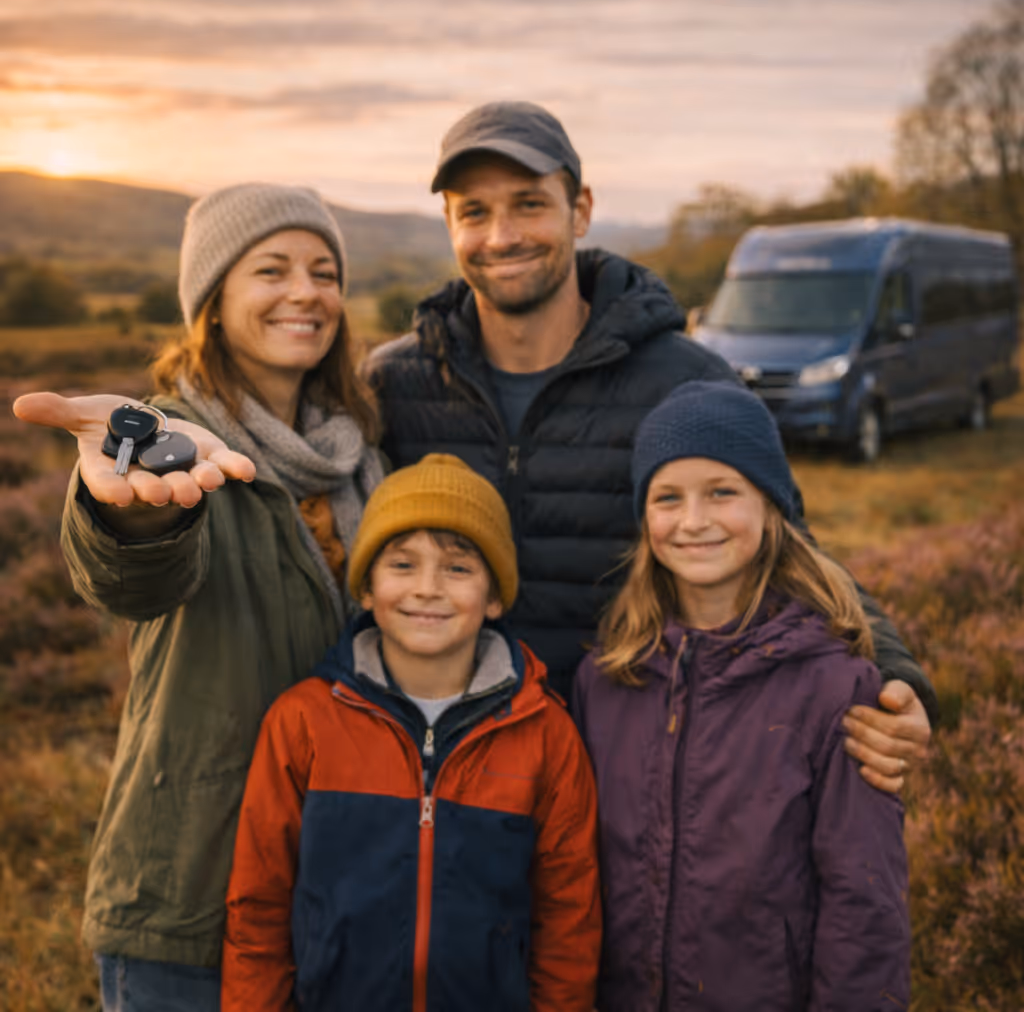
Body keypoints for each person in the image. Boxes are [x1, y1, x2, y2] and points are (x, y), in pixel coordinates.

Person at [364, 100, 937, 791]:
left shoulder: (685, 380)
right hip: (443, 774)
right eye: (474, 212)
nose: (502, 234)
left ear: (580, 211)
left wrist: (898, 676)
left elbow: (790, 549)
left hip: (628, 771)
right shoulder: (393, 383)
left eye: (528, 204)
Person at [13, 183, 384, 1011]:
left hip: (335, 886)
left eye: (325, 272)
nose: (306, 292)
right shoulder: (172, 443)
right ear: (212, 301)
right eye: (272, 269)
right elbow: (135, 579)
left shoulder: (363, 457)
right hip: (189, 893)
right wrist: (128, 515)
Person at [572, 380, 911, 1011]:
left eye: (722, 492)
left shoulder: (835, 687)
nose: (694, 521)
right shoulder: (608, 680)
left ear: (771, 506)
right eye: (667, 498)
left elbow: (864, 908)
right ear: (644, 518)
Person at [222, 453, 601, 1012]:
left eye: (458, 568)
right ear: (367, 589)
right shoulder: (303, 721)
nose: (427, 588)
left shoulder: (545, 733)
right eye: (402, 564)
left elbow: (568, 919)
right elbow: (258, 906)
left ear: (494, 597)